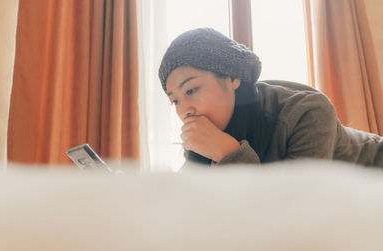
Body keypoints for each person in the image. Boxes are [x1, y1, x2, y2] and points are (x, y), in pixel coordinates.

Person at [158, 27, 383, 167]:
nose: (184, 110)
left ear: (232, 78)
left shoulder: (307, 111)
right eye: (175, 100)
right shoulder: (204, 134)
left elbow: (294, 210)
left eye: (191, 90)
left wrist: (228, 153)